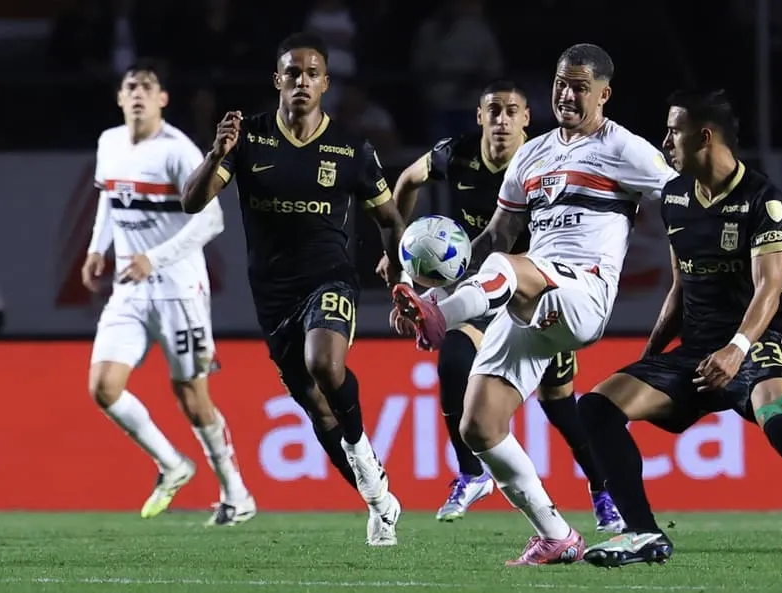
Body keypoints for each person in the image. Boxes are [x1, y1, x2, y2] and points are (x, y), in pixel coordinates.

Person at [577, 89, 782, 574]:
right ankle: (643, 531)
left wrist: (737, 349)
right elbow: (680, 288)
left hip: (758, 349)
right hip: (695, 354)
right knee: (598, 408)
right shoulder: (674, 198)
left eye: (674, 130)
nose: (666, 140)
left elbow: (769, 289)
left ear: (703, 135)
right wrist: (650, 359)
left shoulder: (761, 198)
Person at [390, 44, 676, 565]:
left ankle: (439, 321)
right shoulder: (533, 153)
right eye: (561, 83)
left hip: (583, 292)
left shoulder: (626, 149)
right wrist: (435, 290)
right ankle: (556, 535)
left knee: (511, 268)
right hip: (529, 293)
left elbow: (681, 200)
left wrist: (701, 277)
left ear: (604, 94)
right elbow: (497, 235)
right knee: (478, 425)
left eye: (580, 86)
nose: (567, 94)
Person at [179, 32, 407, 546]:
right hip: (273, 296)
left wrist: (396, 267)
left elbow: (391, 219)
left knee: (325, 363)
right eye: (292, 72)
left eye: (311, 73)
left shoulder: (351, 149)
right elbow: (192, 203)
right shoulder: (248, 139)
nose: (301, 81)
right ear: (277, 80)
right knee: (316, 404)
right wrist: (216, 152)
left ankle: (367, 461)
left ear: (325, 83)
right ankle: (377, 497)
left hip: (330, 279)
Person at [376, 79, 624, 531]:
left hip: (541, 293)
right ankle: (471, 474)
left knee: (559, 405)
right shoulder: (458, 154)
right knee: (452, 362)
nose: (502, 120)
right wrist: (396, 251)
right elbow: (408, 179)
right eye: (494, 110)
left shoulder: (548, 160)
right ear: (479, 116)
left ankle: (603, 489)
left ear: (527, 118)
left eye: (512, 111)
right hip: (481, 289)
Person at [83, 60, 255, 526]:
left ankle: (236, 495)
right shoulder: (109, 142)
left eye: (147, 87)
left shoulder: (178, 150)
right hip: (129, 289)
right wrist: (98, 248)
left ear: (162, 99)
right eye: (130, 86)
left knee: (192, 396)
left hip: (178, 289)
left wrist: (152, 258)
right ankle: (172, 464)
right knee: (103, 387)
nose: (138, 93)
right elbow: (109, 197)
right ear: (120, 98)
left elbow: (213, 220)